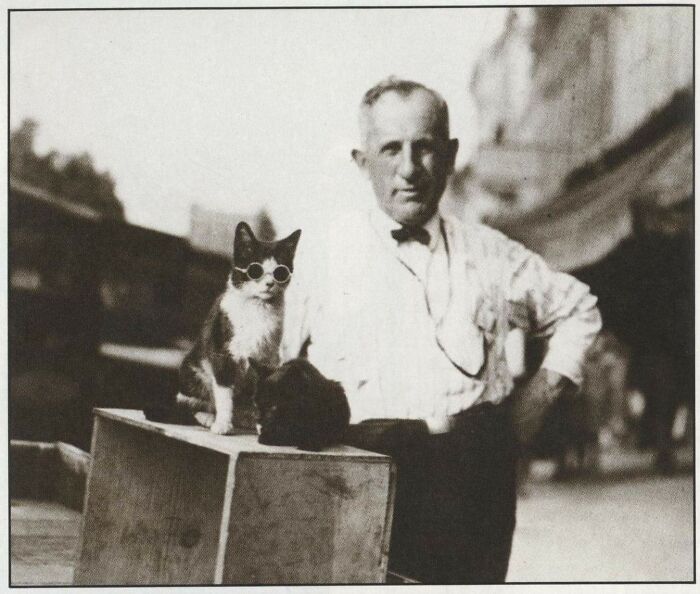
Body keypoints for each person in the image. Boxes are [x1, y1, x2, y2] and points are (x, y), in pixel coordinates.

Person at [282, 77, 602, 584]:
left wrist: (534, 402)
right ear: (362, 162)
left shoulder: (492, 254)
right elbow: (276, 365)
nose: (409, 170)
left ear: (450, 157)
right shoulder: (320, 255)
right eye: (390, 149)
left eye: (425, 148)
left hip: (472, 479)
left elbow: (578, 309)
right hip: (355, 472)